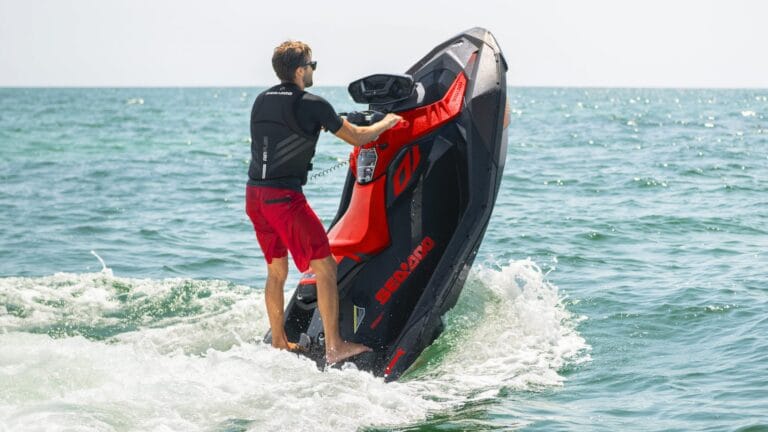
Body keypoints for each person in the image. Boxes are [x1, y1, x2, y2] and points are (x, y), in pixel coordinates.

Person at [245, 41, 402, 364]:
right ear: (301, 70)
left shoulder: (261, 100)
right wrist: (388, 122)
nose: (314, 70)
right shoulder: (312, 103)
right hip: (284, 200)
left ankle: (278, 341)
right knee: (326, 267)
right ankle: (335, 347)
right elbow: (359, 136)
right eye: (312, 65)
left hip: (255, 196)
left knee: (276, 271)